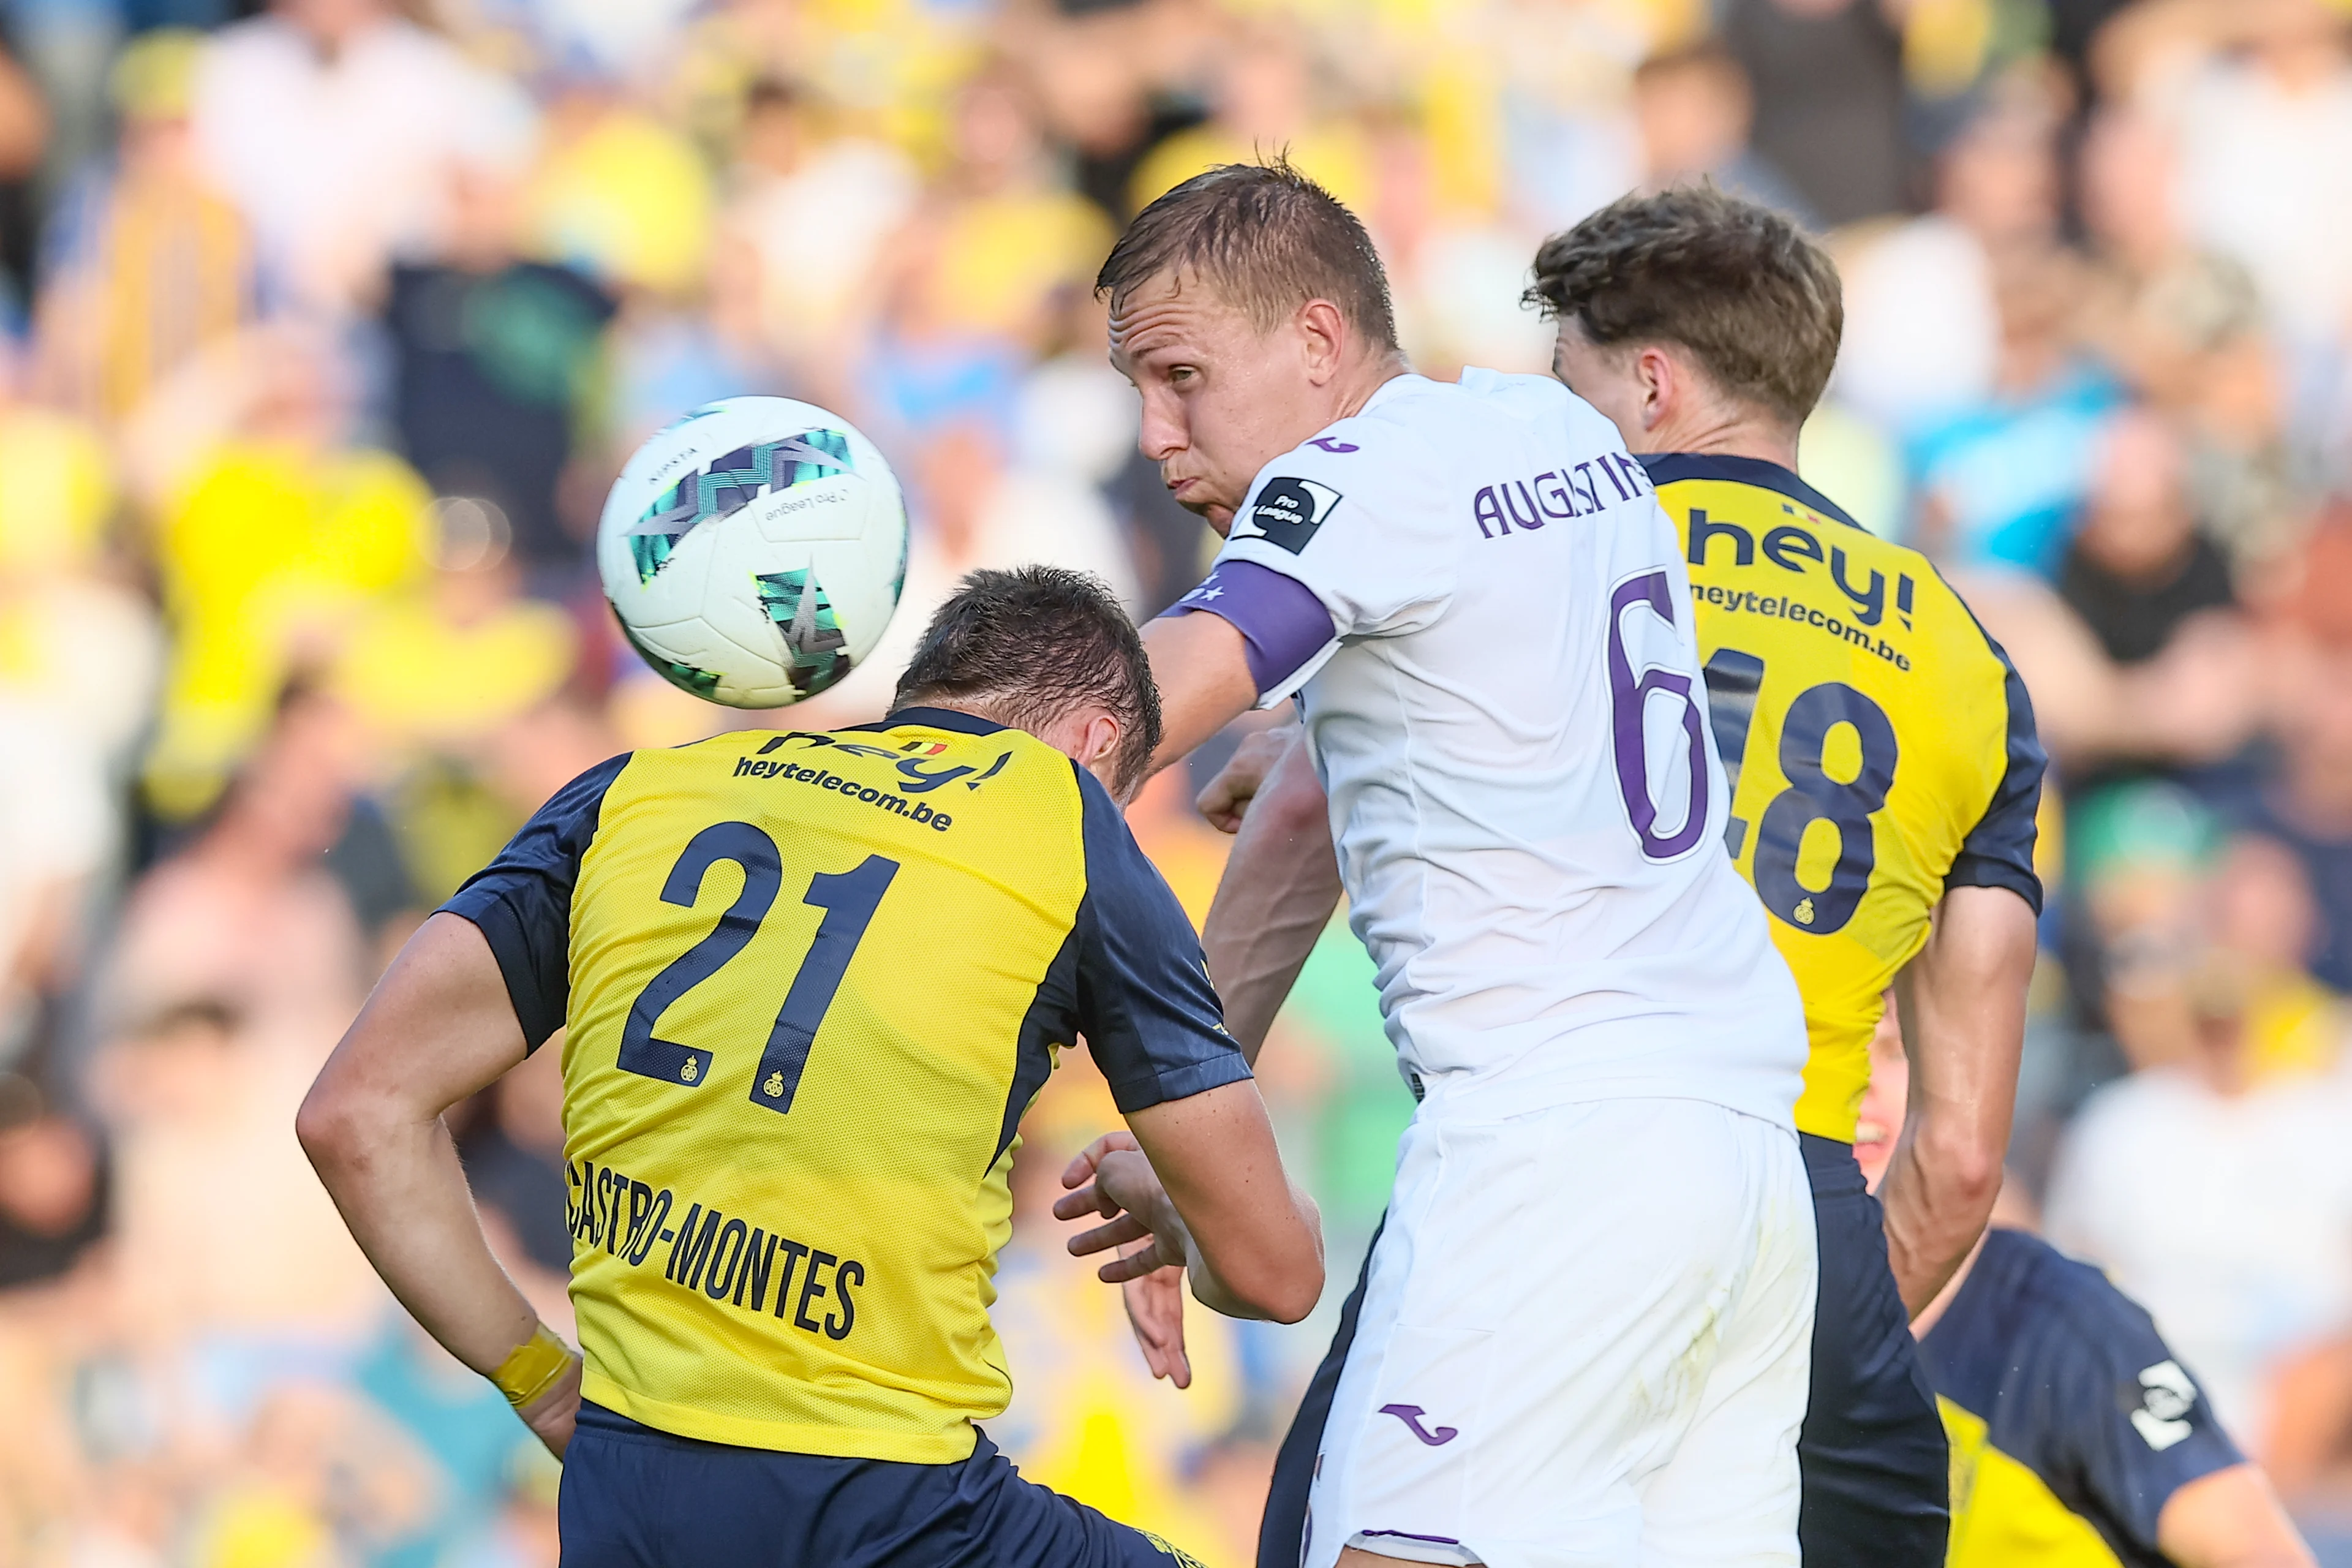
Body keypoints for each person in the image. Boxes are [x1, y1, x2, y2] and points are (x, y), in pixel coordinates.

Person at [1204, 185, 2043, 1568]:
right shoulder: (1964, 654)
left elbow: (1302, 814)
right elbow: (1956, 1156)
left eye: (1566, 378)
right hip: (1801, 1223)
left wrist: (1185, 1116)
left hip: (1552, 1165)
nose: (1546, 416)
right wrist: (1789, 1326)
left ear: (1646, 382)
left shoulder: (1534, 542)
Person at [296, 565, 1325, 1568]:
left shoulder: (637, 788)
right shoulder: (1064, 819)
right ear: (1099, 744)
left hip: (623, 1491)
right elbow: (1276, 1277)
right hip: (886, 1503)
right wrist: (1222, 1223)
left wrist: (540, 1381)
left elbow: (356, 1114)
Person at [1110, 161, 1819, 1567]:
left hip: (1553, 1147)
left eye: (1181, 373)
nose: (1152, 430)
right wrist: (1184, 1115)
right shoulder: (1538, 423)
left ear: (1317, 342)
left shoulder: (1354, 479)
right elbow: (1314, 800)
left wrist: (945, 760)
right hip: (1736, 1161)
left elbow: (1180, 673)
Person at [1853, 1009, 2318, 1568]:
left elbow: (2263, 1554)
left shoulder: (2064, 1321)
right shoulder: (1770, 1311)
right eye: (1835, 1049)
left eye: (1895, 1051)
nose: (1864, 1082)